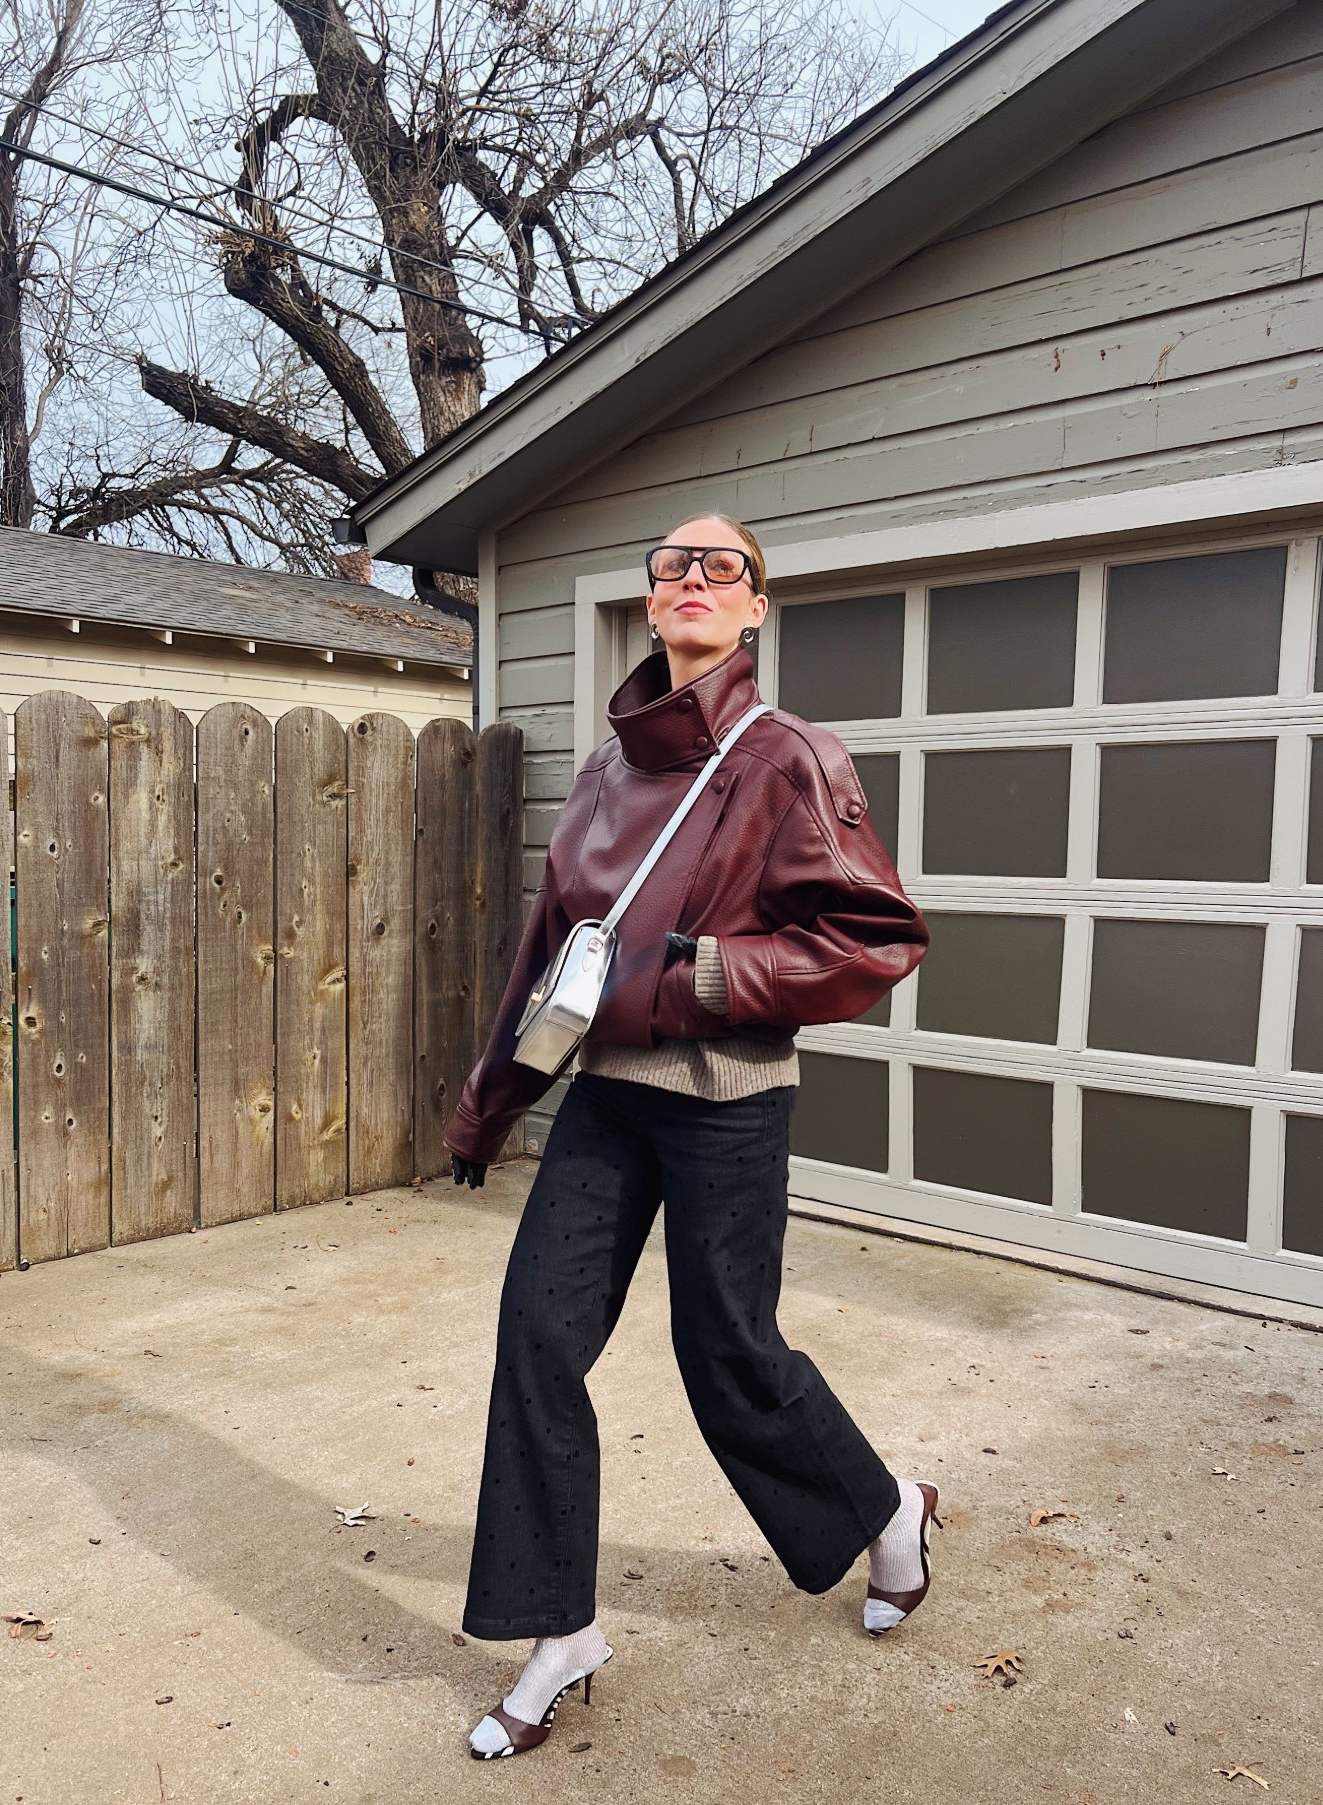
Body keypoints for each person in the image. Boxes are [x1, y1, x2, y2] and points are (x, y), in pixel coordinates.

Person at [446, 513, 935, 1760]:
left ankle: (886, 1509)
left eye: (725, 567)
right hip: (607, 1091)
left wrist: (705, 976)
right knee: (537, 1336)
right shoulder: (605, 772)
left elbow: (876, 935)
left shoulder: (791, 758)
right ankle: (559, 1630)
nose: (697, 579)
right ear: (652, 600)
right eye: (675, 566)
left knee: (728, 1355)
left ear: (756, 605)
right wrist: (489, 1101)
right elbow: (550, 949)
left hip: (729, 1092)